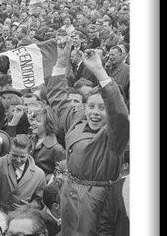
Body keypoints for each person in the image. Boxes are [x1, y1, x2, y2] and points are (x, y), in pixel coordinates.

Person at [45, 37, 129, 235]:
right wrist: (61, 61)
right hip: (71, 193)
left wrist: (99, 71)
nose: (94, 112)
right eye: (91, 106)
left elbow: (119, 113)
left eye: (102, 108)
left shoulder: (115, 134)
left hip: (97, 198)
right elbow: (57, 97)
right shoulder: (76, 119)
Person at [0, 134, 46, 212]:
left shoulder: (39, 174)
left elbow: (39, 200)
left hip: (23, 217)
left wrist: (28, 208)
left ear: (30, 152)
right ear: (9, 151)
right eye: (14, 155)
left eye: (22, 157)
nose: (18, 160)